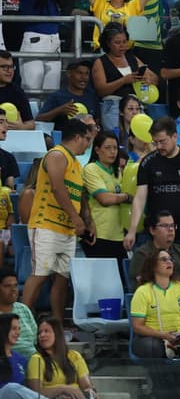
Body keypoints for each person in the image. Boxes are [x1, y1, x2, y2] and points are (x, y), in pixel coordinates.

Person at [22, 119, 93, 322]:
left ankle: (58, 326)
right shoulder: (56, 155)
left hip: (67, 230)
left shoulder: (76, 165)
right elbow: (57, 187)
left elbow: (80, 194)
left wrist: (88, 220)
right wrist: (75, 217)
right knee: (39, 275)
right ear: (77, 137)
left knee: (62, 280)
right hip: (46, 225)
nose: (88, 144)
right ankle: (22, 323)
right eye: (86, 139)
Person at [126, 117, 180, 248]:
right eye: (155, 143)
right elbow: (140, 198)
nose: (159, 146)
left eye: (163, 141)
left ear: (174, 136)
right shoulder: (148, 162)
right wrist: (132, 231)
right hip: (156, 234)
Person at [130, 247, 180, 358]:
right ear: (153, 265)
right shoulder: (142, 291)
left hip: (179, 337)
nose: (169, 262)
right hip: (153, 337)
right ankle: (158, 375)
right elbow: (138, 327)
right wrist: (163, 335)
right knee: (152, 346)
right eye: (164, 259)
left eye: (170, 259)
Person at [82, 131, 130, 262]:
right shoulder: (91, 169)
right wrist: (125, 197)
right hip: (99, 234)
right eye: (108, 148)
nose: (113, 152)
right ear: (97, 150)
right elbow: (104, 199)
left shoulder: (118, 173)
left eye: (115, 148)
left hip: (119, 235)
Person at [128, 210, 180, 292]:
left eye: (172, 225)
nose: (170, 229)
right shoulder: (142, 253)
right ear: (152, 230)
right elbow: (141, 283)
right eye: (165, 226)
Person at [26, 318, 96, 399]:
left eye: (46, 331)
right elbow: (35, 393)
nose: (42, 335)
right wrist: (63, 389)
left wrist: (87, 393)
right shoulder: (36, 359)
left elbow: (87, 387)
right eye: (39, 332)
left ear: (58, 334)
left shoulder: (74, 356)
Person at [36, 61, 100, 132]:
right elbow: (39, 118)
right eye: (79, 73)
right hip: (64, 139)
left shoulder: (92, 96)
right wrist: (59, 110)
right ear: (69, 74)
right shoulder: (57, 96)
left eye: (87, 73)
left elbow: (97, 121)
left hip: (88, 139)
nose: (84, 77)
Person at [0, 268, 36, 358]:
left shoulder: (24, 309)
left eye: (15, 285)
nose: (13, 289)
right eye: (7, 286)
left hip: (33, 360)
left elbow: (36, 339)